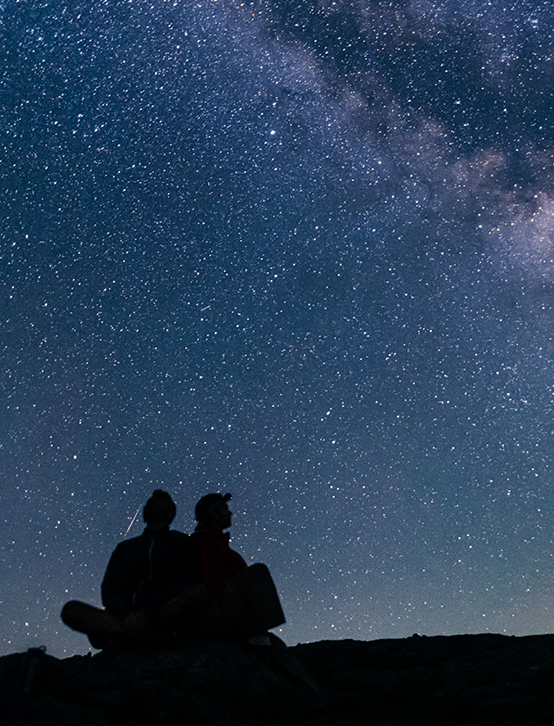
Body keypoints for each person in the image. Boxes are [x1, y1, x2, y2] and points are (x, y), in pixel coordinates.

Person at [61, 490, 207, 649]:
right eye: (150, 502)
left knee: (198, 592)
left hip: (162, 614)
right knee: (72, 610)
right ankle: (149, 637)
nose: (152, 503)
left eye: (159, 502)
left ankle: (123, 637)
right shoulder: (125, 548)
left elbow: (184, 580)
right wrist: (129, 614)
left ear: (170, 512)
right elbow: (109, 589)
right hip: (125, 617)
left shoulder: (182, 542)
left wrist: (147, 613)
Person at [190, 492, 286, 645]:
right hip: (212, 613)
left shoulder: (219, 546)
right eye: (225, 508)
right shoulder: (201, 544)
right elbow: (211, 583)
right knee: (258, 572)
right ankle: (257, 637)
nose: (230, 512)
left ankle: (257, 634)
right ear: (214, 514)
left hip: (221, 609)